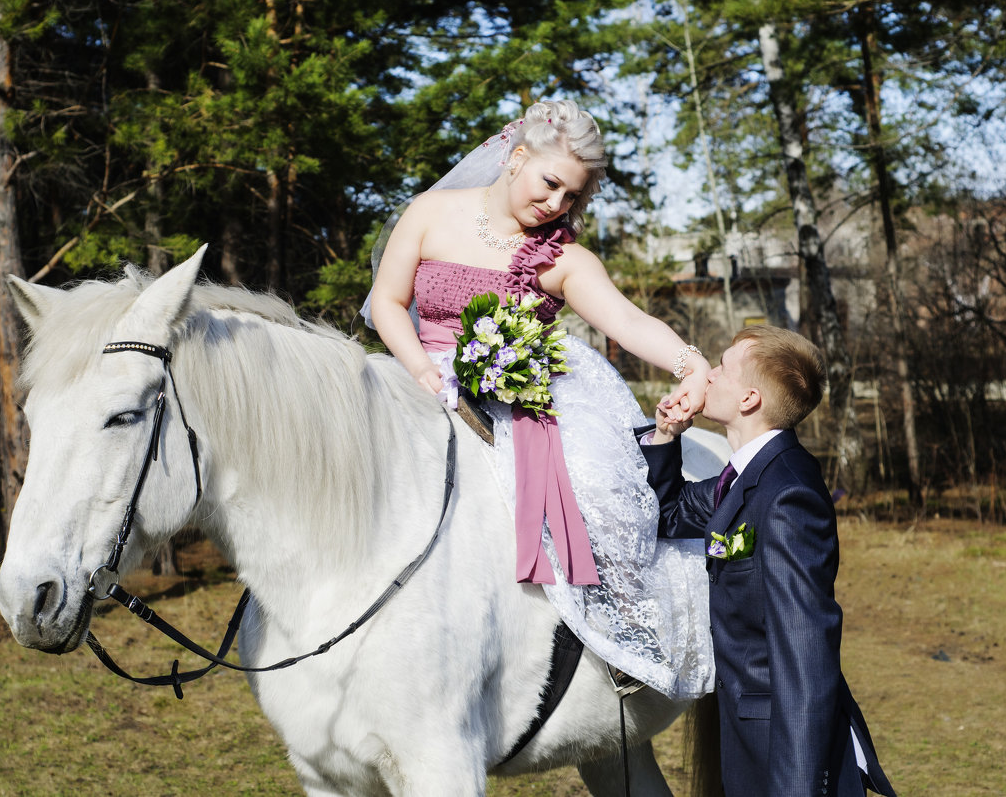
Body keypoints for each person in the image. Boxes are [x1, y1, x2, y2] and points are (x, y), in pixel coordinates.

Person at [364, 99, 713, 699]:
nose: (556, 205)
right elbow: (388, 302)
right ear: (517, 157)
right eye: (550, 184)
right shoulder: (430, 213)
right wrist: (422, 370)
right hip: (420, 372)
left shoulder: (562, 258)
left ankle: (623, 630)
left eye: (572, 198)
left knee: (599, 480)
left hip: (525, 391)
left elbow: (629, 322)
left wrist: (692, 364)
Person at [641, 325, 896, 796]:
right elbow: (670, 515)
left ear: (749, 399)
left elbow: (806, 660)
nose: (708, 376)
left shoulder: (787, 495)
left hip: (783, 751)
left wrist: (798, 788)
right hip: (748, 738)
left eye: (721, 367)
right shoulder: (743, 478)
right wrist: (664, 435)